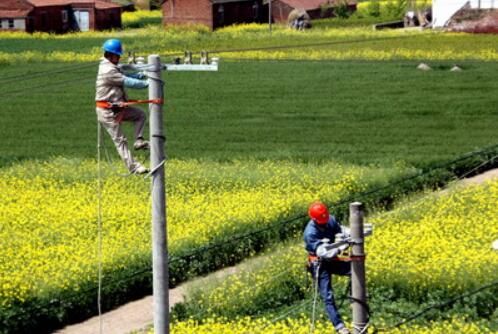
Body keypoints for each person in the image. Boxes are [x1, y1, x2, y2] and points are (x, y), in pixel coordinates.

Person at [95, 38, 150, 175]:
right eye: (117, 55)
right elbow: (128, 81)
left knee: (140, 115)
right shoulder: (108, 70)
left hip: (118, 108)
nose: (119, 57)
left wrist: (142, 75)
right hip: (107, 112)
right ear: (110, 54)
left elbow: (127, 73)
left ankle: (138, 140)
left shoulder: (113, 66)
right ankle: (133, 167)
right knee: (121, 140)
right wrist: (148, 83)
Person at [304, 201, 351, 334]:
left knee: (355, 269)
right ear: (314, 219)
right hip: (319, 264)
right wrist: (343, 244)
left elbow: (340, 229)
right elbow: (325, 252)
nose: (325, 222)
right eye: (321, 221)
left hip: (332, 260)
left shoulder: (330, 219)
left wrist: (351, 233)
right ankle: (339, 326)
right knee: (328, 296)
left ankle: (356, 300)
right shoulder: (310, 234)